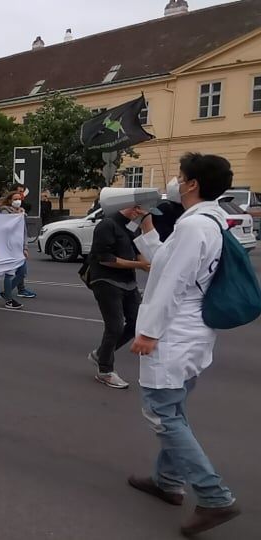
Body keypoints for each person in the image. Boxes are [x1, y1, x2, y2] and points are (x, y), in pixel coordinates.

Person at [129, 153, 241, 536]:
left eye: (180, 177)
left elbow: (172, 283)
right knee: (173, 409)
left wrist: (149, 333)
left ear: (192, 184)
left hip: (175, 334)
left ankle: (214, 497)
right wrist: (145, 224)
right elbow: (164, 261)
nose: (176, 182)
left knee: (162, 414)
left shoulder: (195, 227)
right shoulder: (205, 221)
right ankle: (168, 481)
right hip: (190, 335)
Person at [85, 196, 150, 389]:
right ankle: (105, 370)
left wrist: (148, 264)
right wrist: (140, 265)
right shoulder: (107, 224)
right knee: (115, 326)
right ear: (132, 208)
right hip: (106, 281)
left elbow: (137, 248)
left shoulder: (131, 226)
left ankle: (101, 354)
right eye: (140, 210)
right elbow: (105, 259)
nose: (142, 214)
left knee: (136, 323)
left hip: (128, 282)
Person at [0, 192, 31, 309]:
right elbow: (5, 228)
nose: (18, 201)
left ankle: (6, 292)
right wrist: (16, 215)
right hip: (8, 248)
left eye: (19, 199)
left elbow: (24, 231)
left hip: (19, 248)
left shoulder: (22, 212)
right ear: (10, 200)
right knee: (9, 274)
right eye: (15, 199)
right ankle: (9, 300)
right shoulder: (4, 211)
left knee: (22, 272)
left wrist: (25, 247)